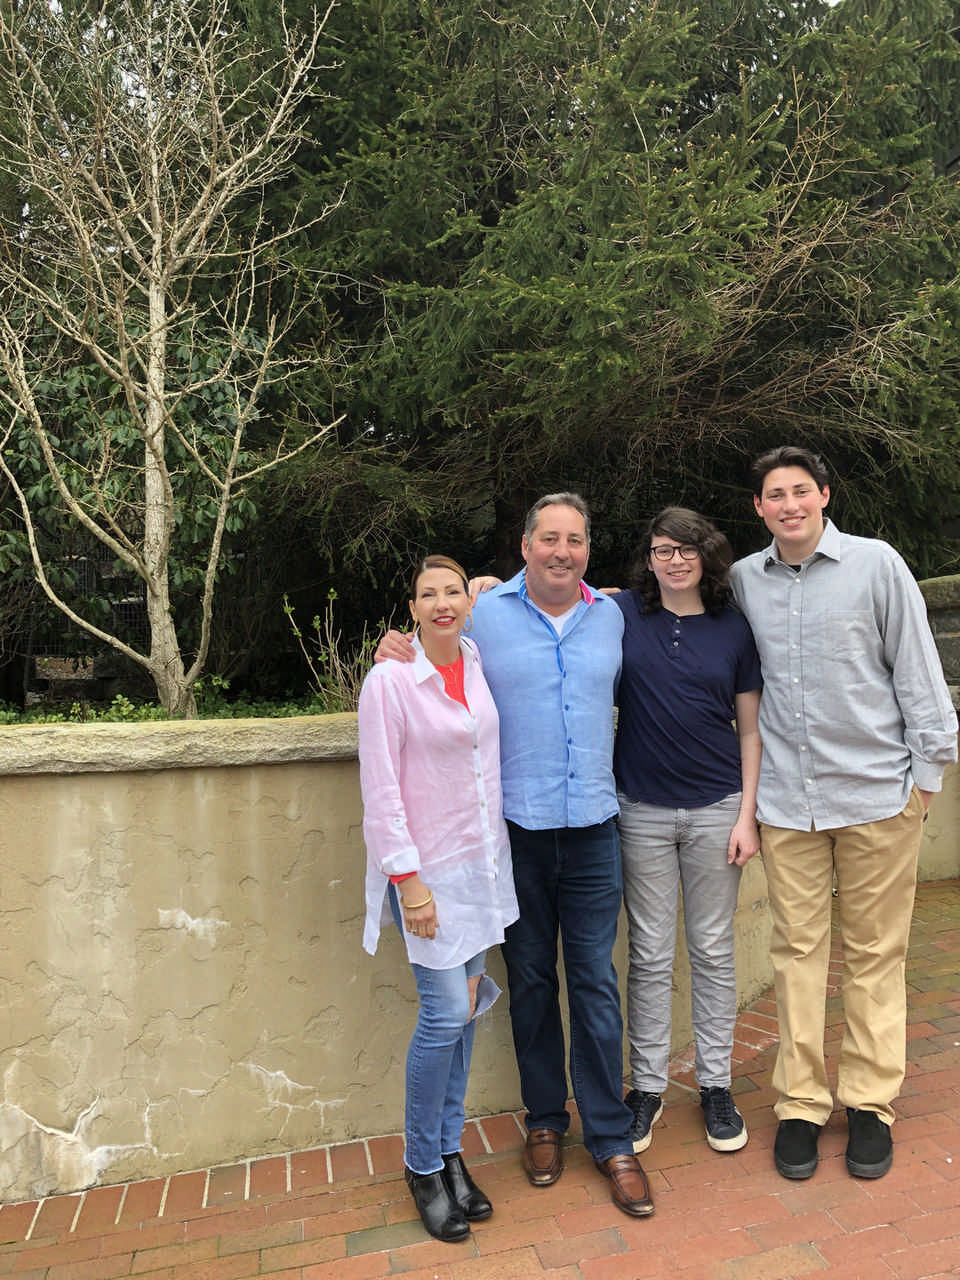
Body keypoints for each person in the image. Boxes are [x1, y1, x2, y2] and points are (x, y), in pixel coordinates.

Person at [376, 495, 655, 1218]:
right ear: (525, 547)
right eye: (548, 538)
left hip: (595, 828)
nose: (562, 551)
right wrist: (393, 645)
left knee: (594, 979)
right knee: (530, 982)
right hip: (515, 840)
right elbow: (426, 651)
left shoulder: (616, 615)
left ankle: (609, 1134)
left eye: (575, 540)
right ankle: (544, 1121)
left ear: (588, 550)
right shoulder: (486, 612)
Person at [729, 446, 958, 1182]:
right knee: (796, 957)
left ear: (824, 495)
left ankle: (868, 1103)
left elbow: (917, 667)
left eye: (801, 490)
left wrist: (927, 777)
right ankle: (800, 1104)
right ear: (759, 507)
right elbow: (674, 612)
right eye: (775, 494)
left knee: (874, 955)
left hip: (876, 796)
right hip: (788, 805)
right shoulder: (742, 581)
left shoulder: (876, 565)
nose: (789, 504)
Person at [359, 555, 519, 1243]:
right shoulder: (389, 681)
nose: (444, 603)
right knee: (446, 1010)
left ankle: (451, 1152)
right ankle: (422, 1164)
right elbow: (382, 790)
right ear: (413, 608)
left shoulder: (477, 658)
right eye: (429, 594)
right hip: (425, 879)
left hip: (481, 871)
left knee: (467, 1015)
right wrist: (408, 883)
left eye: (454, 591)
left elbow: (526, 582)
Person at [612, 507, 762, 1155]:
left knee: (711, 950)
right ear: (648, 558)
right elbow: (549, 595)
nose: (674, 560)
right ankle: (644, 1088)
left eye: (686, 549)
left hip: (716, 808)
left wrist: (747, 815)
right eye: (661, 550)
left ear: (707, 554)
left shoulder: (734, 628)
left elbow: (751, 729)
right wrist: (481, 586)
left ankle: (715, 1085)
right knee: (646, 952)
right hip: (639, 809)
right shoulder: (620, 614)